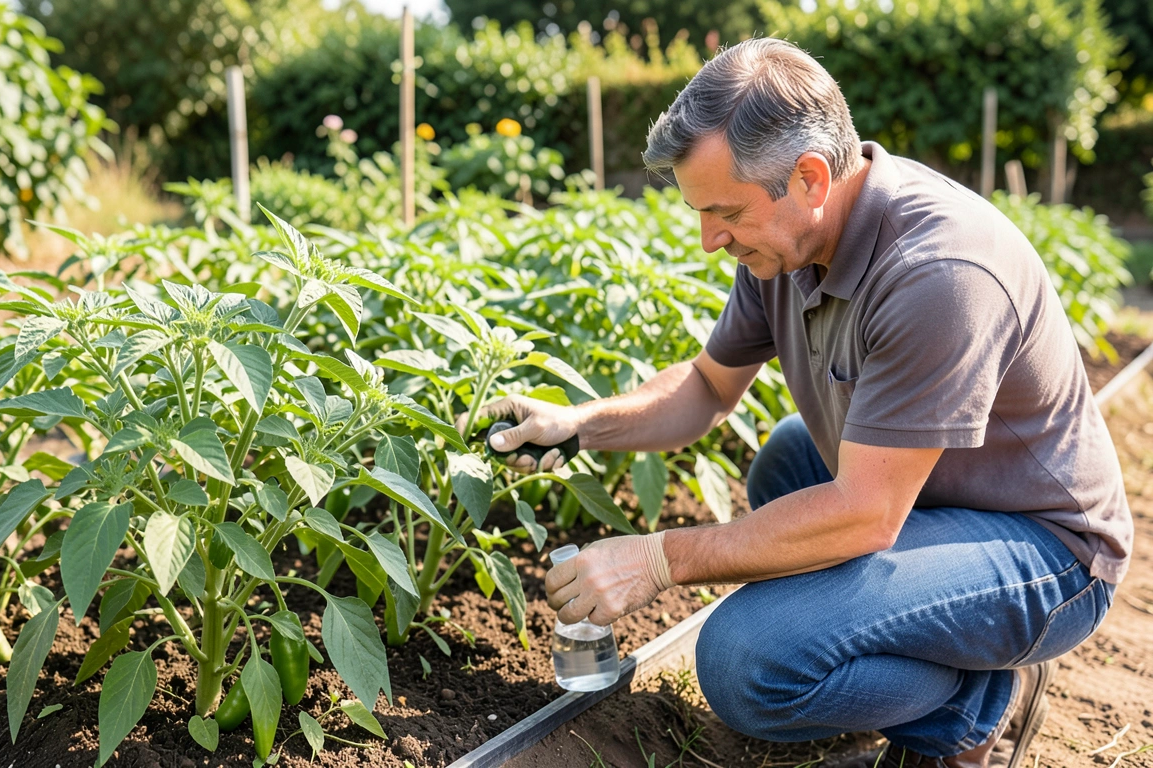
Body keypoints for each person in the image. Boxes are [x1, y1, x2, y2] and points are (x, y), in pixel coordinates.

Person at [457, 38, 1130, 768]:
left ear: (810, 178)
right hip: (929, 497)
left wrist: (658, 559)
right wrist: (580, 425)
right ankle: (916, 667)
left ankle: (980, 706)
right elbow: (708, 387)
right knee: (787, 460)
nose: (710, 240)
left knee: (747, 662)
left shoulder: (938, 271)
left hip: (1045, 550)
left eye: (725, 212)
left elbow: (867, 514)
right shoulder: (783, 245)